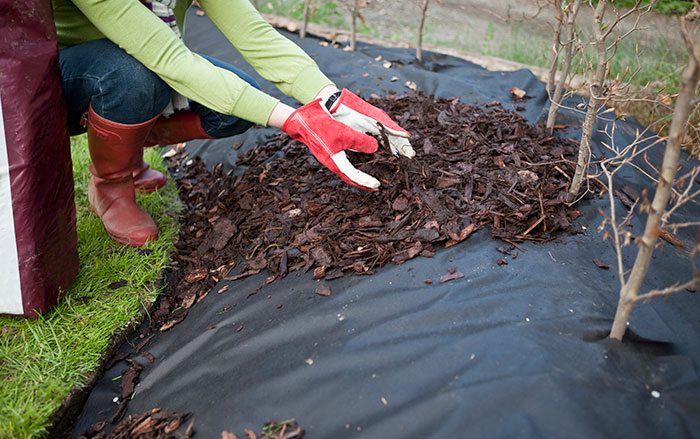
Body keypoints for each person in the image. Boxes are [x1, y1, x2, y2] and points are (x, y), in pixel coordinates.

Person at [53, 0, 415, 247]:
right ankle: (110, 185)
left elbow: (255, 36)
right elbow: (172, 62)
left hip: (146, 59)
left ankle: (128, 144)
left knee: (237, 107)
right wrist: (295, 121)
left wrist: (332, 99)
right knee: (132, 78)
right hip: (62, 82)